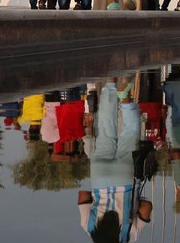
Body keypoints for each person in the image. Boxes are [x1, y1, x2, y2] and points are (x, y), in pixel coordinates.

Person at [77, 78, 153, 242]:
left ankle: (125, 98)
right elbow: (83, 195)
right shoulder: (90, 230)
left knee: (130, 135)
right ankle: (110, 84)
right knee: (105, 129)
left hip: (126, 178)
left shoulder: (128, 237)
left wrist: (134, 204)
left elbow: (146, 208)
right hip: (100, 176)